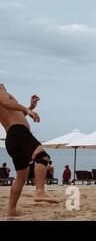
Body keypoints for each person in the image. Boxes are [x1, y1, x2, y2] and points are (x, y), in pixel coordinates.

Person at [0, 84, 58, 218]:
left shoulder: (5, 96)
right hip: (19, 132)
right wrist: (27, 109)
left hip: (12, 138)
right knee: (42, 157)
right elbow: (5, 103)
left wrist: (30, 108)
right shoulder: (0, 90)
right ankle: (40, 192)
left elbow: (15, 113)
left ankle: (11, 211)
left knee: (21, 176)